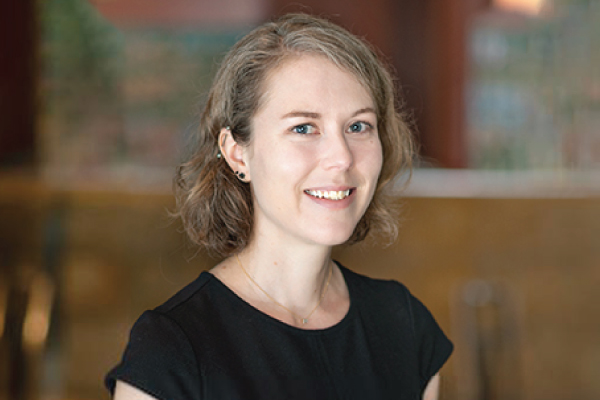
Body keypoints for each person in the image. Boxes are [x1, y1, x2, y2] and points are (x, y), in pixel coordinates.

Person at [105, 13, 453, 400]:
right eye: (303, 128)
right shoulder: (172, 350)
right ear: (237, 153)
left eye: (358, 126)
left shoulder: (404, 325)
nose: (341, 158)